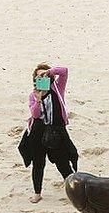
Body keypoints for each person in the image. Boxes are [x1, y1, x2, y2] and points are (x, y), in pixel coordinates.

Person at [18, 63, 79, 203]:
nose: (43, 78)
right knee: (38, 163)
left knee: (62, 162)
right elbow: (34, 114)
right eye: (39, 76)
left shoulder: (58, 88)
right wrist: (38, 100)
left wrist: (49, 72)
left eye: (45, 75)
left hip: (56, 131)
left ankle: (76, 191)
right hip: (38, 133)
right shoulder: (33, 95)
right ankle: (37, 193)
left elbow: (64, 71)